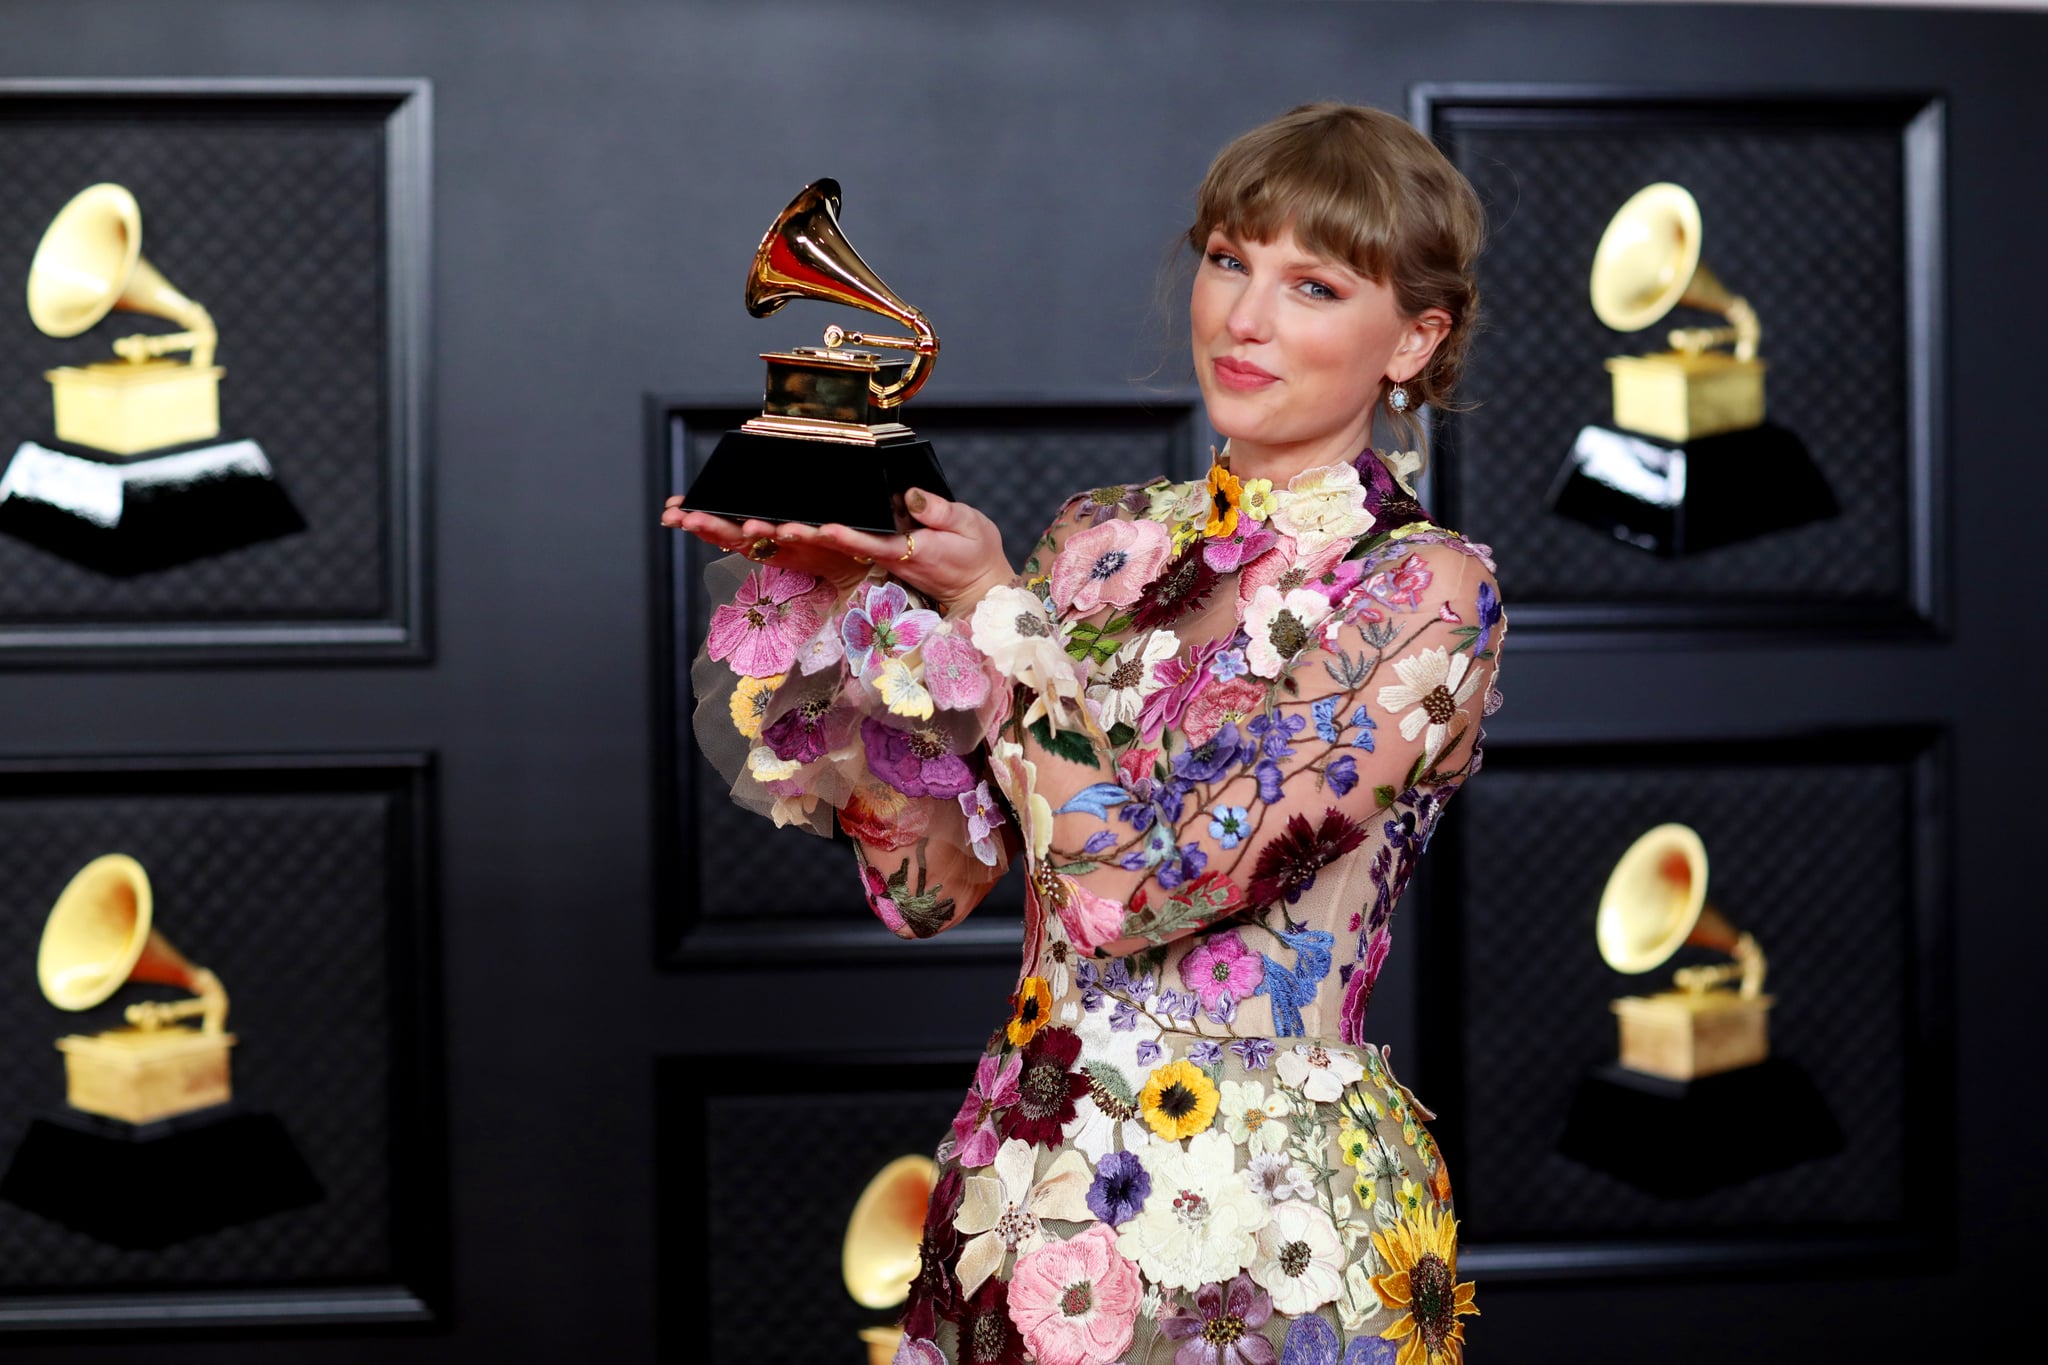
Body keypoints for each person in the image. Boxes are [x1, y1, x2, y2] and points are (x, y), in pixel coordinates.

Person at [666, 101, 1503, 1365]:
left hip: (1267, 1226)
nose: (1244, 317)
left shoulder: (1423, 591)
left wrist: (994, 618)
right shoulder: (1096, 544)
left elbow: (1138, 889)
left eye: (1313, 285)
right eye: (1228, 259)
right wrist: (845, 615)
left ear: (1412, 340)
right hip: (1024, 1185)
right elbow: (930, 889)